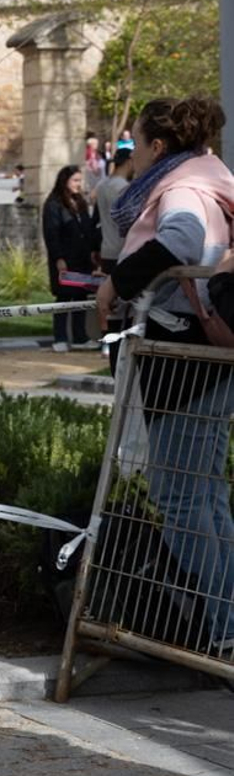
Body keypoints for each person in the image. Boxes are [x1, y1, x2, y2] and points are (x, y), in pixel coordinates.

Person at [96, 97, 234, 654]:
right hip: (204, 355)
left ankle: (224, 626)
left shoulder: (180, 188)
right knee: (204, 496)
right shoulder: (209, 177)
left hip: (184, 360)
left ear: (158, 148)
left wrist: (115, 284)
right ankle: (228, 620)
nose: (127, 155)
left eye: (132, 143)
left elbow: (179, 241)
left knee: (179, 499)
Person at [42, 164, 99, 352]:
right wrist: (58, 257)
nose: (78, 184)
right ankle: (60, 337)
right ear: (64, 181)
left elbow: (88, 228)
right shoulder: (53, 205)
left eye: (79, 180)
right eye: (75, 180)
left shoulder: (80, 202)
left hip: (82, 259)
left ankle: (79, 337)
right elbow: (51, 233)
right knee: (64, 297)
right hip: (65, 259)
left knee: (81, 296)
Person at [94, 142, 134, 275]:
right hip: (122, 250)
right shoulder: (124, 188)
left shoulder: (102, 186)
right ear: (129, 162)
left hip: (107, 249)